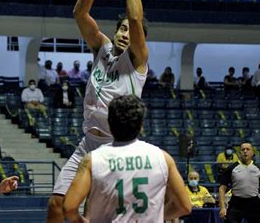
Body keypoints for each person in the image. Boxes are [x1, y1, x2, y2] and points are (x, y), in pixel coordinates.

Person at [47, 0, 149, 222]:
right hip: (89, 143)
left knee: (107, 215)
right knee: (57, 205)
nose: (126, 33)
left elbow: (137, 19)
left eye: (131, 31)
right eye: (122, 28)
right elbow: (80, 14)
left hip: (118, 147)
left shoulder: (138, 61)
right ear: (115, 31)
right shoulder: (102, 48)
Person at [63, 95, 191, 222]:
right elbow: (184, 207)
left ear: (109, 124)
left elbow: (69, 208)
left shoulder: (92, 160)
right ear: (141, 126)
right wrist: (155, 216)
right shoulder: (163, 158)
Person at [219, 142, 260, 223]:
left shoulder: (259, 169)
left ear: (252, 152)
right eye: (243, 149)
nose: (245, 151)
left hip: (254, 203)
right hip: (236, 203)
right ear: (239, 153)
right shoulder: (231, 168)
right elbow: (222, 188)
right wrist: (222, 207)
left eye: (248, 149)